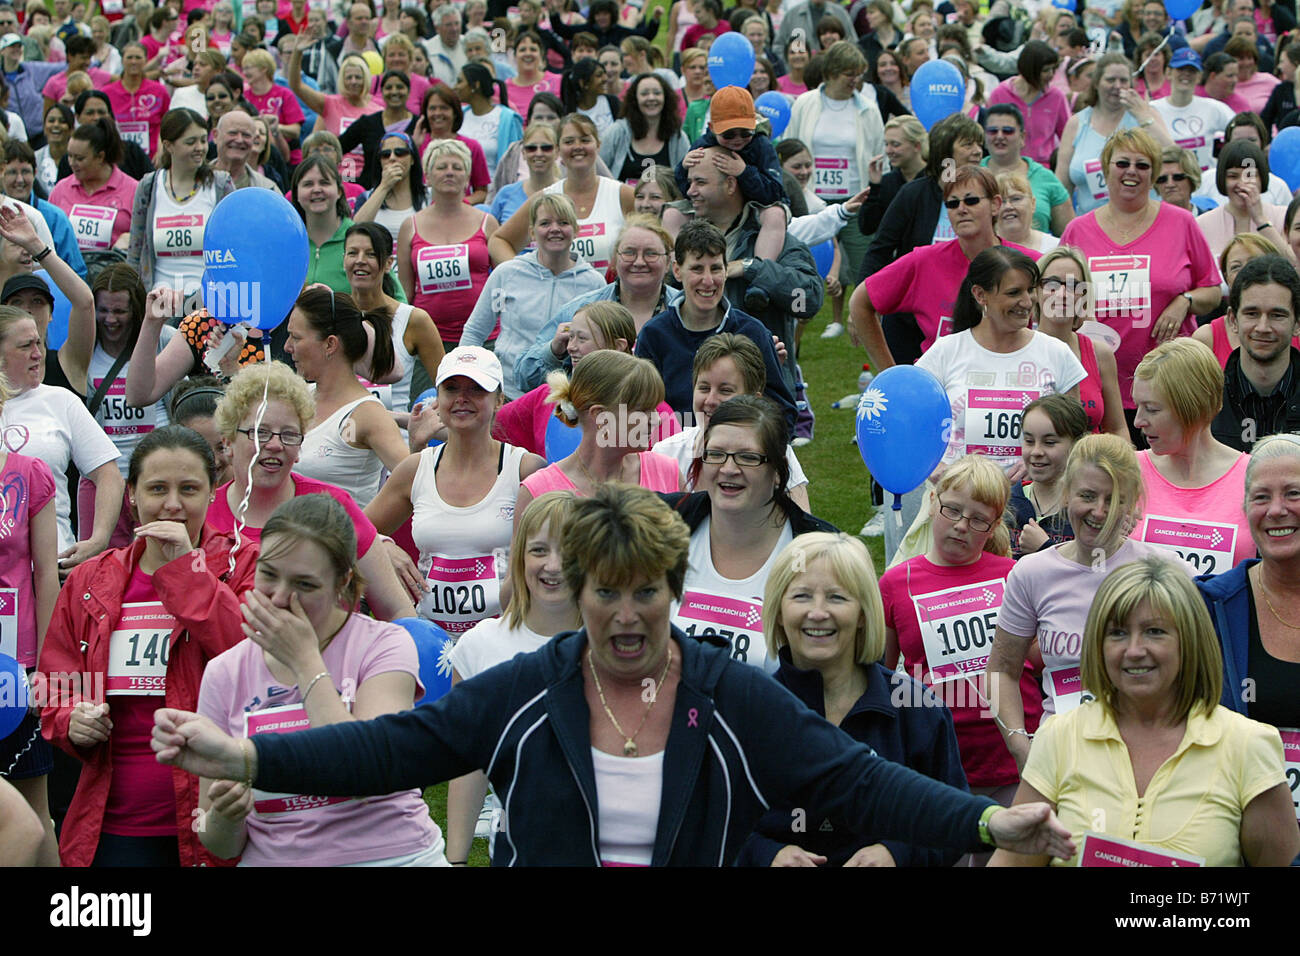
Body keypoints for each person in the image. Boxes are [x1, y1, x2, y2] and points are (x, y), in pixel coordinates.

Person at [151, 481, 1081, 866]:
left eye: (648, 594)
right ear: (576, 590)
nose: (626, 616)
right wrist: (245, 761)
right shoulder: (524, 691)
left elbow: (857, 780)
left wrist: (991, 819)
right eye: (607, 594)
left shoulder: (727, 693)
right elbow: (398, 749)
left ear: (676, 591)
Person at [38, 425, 255, 866]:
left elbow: (250, 658)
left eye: (189, 489)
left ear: (213, 493)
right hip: (114, 823)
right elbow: (53, 684)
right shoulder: (88, 580)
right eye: (157, 488)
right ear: (132, 495)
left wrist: (186, 572)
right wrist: (69, 719)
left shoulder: (242, 563)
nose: (172, 504)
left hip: (216, 816)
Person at [990, 556, 1298, 867]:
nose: (1135, 650)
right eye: (1118, 633)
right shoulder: (1058, 736)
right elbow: (1012, 860)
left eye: (1154, 632)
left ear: (1189, 641)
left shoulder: (1248, 745)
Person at [194, 494, 448, 866]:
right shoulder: (224, 672)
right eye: (268, 574)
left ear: (343, 581)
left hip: (391, 856)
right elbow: (216, 842)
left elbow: (365, 775)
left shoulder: (383, 645)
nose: (280, 597)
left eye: (305, 584)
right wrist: (224, 816)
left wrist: (305, 662)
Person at [734, 532, 966, 866]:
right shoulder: (746, 712)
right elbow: (711, 819)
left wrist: (896, 854)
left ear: (862, 614)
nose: (818, 612)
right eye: (801, 596)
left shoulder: (917, 709)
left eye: (836, 598)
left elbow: (953, 819)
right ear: (778, 611)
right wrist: (767, 855)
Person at [880, 455, 1041, 849]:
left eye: (978, 519)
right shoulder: (895, 582)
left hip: (1012, 754)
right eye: (952, 510)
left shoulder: (1014, 575)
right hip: (939, 758)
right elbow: (881, 676)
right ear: (932, 503)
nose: (961, 526)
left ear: (995, 524)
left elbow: (1039, 661)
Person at [207, 361, 416, 621]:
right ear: (227, 443)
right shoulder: (202, 515)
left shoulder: (334, 506)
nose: (274, 445)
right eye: (259, 433)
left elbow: (398, 610)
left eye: (288, 434)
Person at [366, 347, 545, 634]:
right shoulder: (415, 470)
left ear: (499, 400)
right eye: (451, 389)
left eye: (476, 389)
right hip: (434, 643)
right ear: (438, 399)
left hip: (506, 642)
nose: (462, 399)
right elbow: (350, 531)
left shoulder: (525, 469)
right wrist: (382, 546)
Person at [443, 489, 580, 864]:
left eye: (569, 551)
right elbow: (469, 765)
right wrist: (455, 858)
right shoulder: (479, 646)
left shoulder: (617, 646)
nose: (553, 565)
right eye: (539, 550)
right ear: (519, 556)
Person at [1059, 128, 1221, 443]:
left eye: (1143, 165)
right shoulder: (1077, 231)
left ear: (1154, 174)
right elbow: (1055, 300)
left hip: (1168, 384)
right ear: (1105, 171)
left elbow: (1214, 290)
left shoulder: (1182, 223)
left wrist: (1185, 300)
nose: (1132, 171)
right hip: (1096, 385)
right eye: (1122, 163)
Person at [663, 394, 832, 671]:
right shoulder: (662, 523)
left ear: (778, 471)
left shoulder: (818, 552)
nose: (729, 469)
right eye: (716, 454)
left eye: (748, 457)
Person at [851, 166, 1037, 374]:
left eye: (971, 200)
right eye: (952, 203)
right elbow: (860, 302)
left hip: (1014, 383)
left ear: (995, 205)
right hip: (941, 387)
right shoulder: (923, 261)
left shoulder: (1029, 262)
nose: (961, 209)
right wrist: (892, 375)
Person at [1200, 434, 1300, 804]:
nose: (1276, 510)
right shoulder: (1210, 607)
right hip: (1236, 828)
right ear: (1244, 508)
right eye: (1261, 497)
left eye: (1293, 493)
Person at [635, 219, 798, 434]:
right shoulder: (655, 335)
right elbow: (637, 412)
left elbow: (783, 412)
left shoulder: (752, 332)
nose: (708, 280)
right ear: (677, 270)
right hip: (674, 456)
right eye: (696, 269)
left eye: (715, 269)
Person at [0, 301, 122, 571]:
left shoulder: (59, 400)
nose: (38, 354)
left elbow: (109, 474)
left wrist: (97, 540)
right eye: (25, 346)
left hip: (52, 567)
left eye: (39, 343)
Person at [460, 193, 604, 400]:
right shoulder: (506, 274)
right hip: (508, 393)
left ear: (576, 230)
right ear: (532, 233)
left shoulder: (594, 283)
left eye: (563, 222)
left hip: (567, 396)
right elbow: (475, 331)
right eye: (545, 223)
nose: (554, 229)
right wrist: (464, 377)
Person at [515, 214, 682, 390]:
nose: (639, 262)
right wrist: (553, 351)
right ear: (615, 260)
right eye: (629, 252)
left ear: (668, 262)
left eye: (651, 254)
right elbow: (524, 377)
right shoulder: (581, 310)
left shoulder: (683, 310)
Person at [0, 365, 59, 866]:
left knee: (36, 813)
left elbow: (46, 575)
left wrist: (46, 669)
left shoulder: (28, 473)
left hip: (17, 668)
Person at [1130, 338, 1254, 575]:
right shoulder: (1128, 470)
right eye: (1137, 406)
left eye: (1152, 409)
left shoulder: (1252, 477)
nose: (1138, 421)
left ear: (1192, 406)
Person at [652, 332, 809, 509]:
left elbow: (804, 529)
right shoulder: (666, 452)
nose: (710, 400)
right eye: (704, 388)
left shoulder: (775, 452)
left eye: (725, 391)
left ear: (753, 399)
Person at [284, 286, 408, 509]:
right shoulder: (300, 396)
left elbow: (413, 484)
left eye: (295, 337)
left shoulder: (368, 415)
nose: (287, 347)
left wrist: (369, 530)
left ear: (330, 344)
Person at [516, 349, 681, 516]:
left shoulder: (667, 472)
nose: (657, 420)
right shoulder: (538, 491)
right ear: (601, 417)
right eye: (643, 410)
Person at [785, 41, 881, 309]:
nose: (855, 80)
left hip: (854, 198)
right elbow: (790, 146)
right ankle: (793, 337)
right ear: (831, 73)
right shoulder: (805, 103)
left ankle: (868, 327)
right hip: (811, 198)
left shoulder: (868, 109)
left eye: (859, 73)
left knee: (866, 269)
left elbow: (878, 152)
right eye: (849, 73)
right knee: (798, 269)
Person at [491, 114, 634, 274]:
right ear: (558, 150)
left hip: (610, 297)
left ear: (598, 146)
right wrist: (524, 277)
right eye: (569, 141)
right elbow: (499, 241)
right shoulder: (544, 199)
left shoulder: (623, 194)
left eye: (585, 140)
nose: (577, 146)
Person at [398, 139, 497, 348]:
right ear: (428, 176)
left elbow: (504, 282)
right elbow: (405, 293)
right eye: (441, 167)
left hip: (483, 336)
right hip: (428, 339)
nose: (449, 172)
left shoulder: (488, 223)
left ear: (468, 177)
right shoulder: (410, 226)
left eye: (457, 167)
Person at [127, 109, 234, 301]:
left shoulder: (220, 184)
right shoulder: (149, 186)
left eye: (203, 140)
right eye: (190, 142)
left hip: (206, 302)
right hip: (159, 301)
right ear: (168, 145)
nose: (200, 147)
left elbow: (234, 245)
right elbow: (135, 250)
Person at [345, 221, 445, 417]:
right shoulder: (331, 314)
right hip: (341, 441)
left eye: (371, 254)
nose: (360, 260)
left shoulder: (414, 320)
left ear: (389, 263)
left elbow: (446, 386)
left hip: (397, 440)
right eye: (352, 253)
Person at [1056, 53, 1173, 215]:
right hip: (1090, 224)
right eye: (1110, 80)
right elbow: (1062, 185)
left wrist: (1143, 116)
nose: (1117, 86)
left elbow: (1174, 154)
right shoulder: (1076, 123)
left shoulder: (1147, 114)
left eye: (1123, 81)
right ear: (1096, 83)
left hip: (1141, 219)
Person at [1208, 255, 1300, 451]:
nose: (1263, 327)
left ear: (1297, 323)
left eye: (1277, 315)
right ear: (1233, 320)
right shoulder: (1205, 399)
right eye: (1252, 313)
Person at [1035, 246, 1128, 437]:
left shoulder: (1099, 354)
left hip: (1090, 463)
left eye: (1073, 286)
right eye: (1052, 284)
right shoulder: (1016, 348)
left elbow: (1117, 429)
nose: (1062, 294)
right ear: (1035, 291)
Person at [1008, 393, 1089, 558]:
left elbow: (1096, 569)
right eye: (1029, 441)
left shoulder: (1088, 510)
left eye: (1049, 442)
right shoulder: (1005, 503)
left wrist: (1045, 549)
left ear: (1076, 444)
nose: (1036, 451)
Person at [288, 47, 382, 185]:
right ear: (342, 80)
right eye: (349, 77)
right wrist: (297, 52)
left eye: (358, 77)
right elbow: (297, 86)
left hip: (367, 179)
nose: (353, 81)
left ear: (366, 79)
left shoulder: (378, 110)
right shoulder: (330, 104)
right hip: (333, 177)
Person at [1196, 140, 1294, 265]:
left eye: (1250, 176)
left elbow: (1293, 263)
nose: (1242, 184)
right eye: (1233, 176)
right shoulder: (1202, 224)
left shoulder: (1284, 216)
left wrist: (1260, 220)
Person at [49, 118, 138, 254]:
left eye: (80, 158)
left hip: (115, 270)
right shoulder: (61, 189)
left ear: (100, 157)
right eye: (70, 156)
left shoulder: (133, 190)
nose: (72, 163)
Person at [1150, 48, 1234, 182]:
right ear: (1168, 73)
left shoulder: (1214, 108)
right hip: (1168, 184)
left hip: (1206, 183)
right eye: (1181, 69)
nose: (1186, 75)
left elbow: (1241, 131)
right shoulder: (1153, 110)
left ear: (1199, 76)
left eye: (1192, 71)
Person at [988, 41, 1069, 167]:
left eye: (1054, 69)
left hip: (1043, 169)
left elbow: (1068, 136)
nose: (1051, 75)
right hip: (1006, 167)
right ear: (1030, 69)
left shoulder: (1057, 97)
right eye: (1046, 70)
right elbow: (989, 134)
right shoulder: (1000, 94)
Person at [599, 72, 687, 186]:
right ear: (635, 99)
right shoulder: (616, 132)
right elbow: (599, 172)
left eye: (657, 93)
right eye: (644, 94)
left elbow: (685, 176)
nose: (651, 98)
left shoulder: (677, 136)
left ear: (666, 97)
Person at [352, 132, 427, 244]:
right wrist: (384, 186)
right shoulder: (366, 197)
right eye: (385, 154)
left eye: (400, 153)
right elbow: (355, 234)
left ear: (412, 159)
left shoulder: (429, 196)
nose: (392, 158)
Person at [102, 42, 170, 158]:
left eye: (138, 57)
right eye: (129, 57)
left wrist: (161, 151)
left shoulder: (159, 91)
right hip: (118, 156)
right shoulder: (107, 93)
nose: (133, 61)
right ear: (122, 60)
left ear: (146, 60)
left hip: (153, 157)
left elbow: (167, 123)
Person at [457, 62, 523, 176]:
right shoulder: (459, 115)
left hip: (495, 189)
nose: (456, 86)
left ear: (475, 85)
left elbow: (517, 163)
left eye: (460, 81)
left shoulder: (508, 119)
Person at [489, 120, 560, 225]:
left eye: (546, 148)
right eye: (531, 148)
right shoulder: (506, 194)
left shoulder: (566, 191)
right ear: (523, 153)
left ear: (557, 152)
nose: (539, 153)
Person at [994, 171, 1058, 254]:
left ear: (1033, 204)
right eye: (1001, 201)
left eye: (1016, 199)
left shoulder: (1055, 247)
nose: (1008, 207)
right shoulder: (981, 248)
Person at [503, 31, 561, 117]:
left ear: (541, 54)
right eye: (522, 50)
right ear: (514, 56)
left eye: (533, 49)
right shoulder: (503, 89)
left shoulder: (559, 81)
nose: (528, 54)